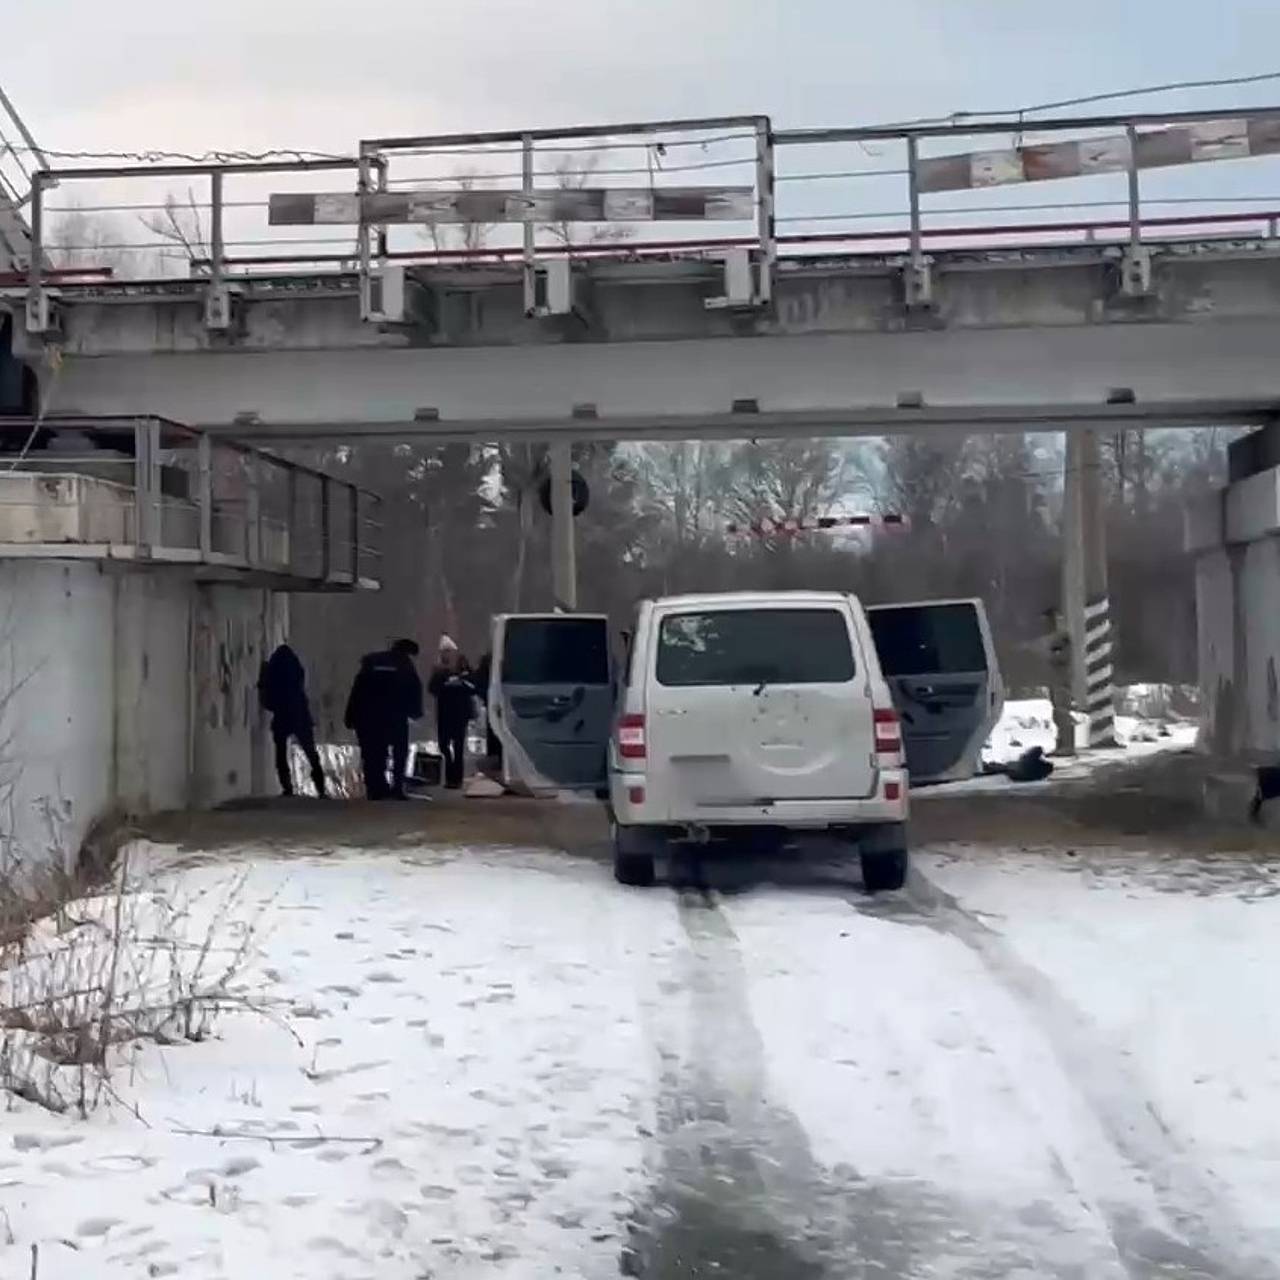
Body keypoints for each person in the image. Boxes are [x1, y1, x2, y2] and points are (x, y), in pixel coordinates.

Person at [344, 638, 424, 799]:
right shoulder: (404, 665)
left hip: (368, 716)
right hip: (395, 716)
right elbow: (414, 689)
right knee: (399, 753)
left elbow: (357, 691)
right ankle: (397, 789)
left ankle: (375, 789)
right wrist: (415, 712)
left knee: (373, 754)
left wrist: (350, 716)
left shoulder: (371, 663)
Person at [257, 643, 327, 797]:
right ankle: (321, 790)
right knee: (311, 754)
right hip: (300, 714)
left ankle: (287, 788)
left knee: (281, 754)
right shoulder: (297, 670)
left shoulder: (272, 671)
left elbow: (267, 699)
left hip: (282, 715)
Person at [429, 636, 477, 790]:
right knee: (444, 746)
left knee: (458, 747)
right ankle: (452, 774)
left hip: (459, 713)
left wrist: (461, 682)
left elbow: (473, 686)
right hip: (445, 712)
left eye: (448, 652)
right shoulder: (439, 671)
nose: (446, 655)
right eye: (444, 652)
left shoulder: (464, 669)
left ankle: (455, 779)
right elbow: (432, 689)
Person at [1041, 606, 1076, 758]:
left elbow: (1064, 656)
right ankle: (1061, 744)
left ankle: (1068, 746)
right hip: (1055, 679)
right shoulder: (1054, 636)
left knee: (1063, 713)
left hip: (1062, 679)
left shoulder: (1062, 636)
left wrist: (1051, 656)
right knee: (1057, 713)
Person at [474, 650, 502, 769]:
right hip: (499, 701)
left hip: (491, 701)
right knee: (499, 728)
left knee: (493, 727)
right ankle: (498, 755)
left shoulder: (484, 669)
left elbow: (478, 683)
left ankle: (494, 755)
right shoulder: (500, 666)